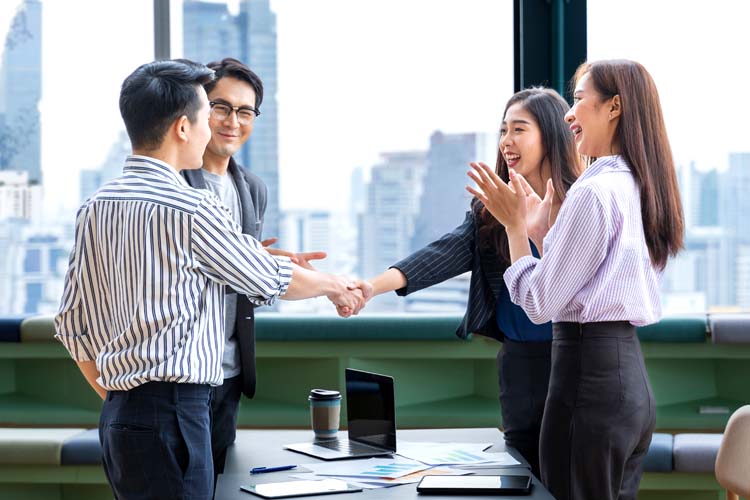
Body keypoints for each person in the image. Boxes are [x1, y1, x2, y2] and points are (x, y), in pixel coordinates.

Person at [54, 59, 363, 500]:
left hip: (119, 415)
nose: (214, 128)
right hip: (175, 413)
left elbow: (69, 323)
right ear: (183, 127)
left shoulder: (95, 205)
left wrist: (120, 398)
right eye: (206, 115)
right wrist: (335, 284)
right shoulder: (192, 209)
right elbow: (265, 278)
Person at [467, 59, 684, 500]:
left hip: (587, 383)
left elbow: (540, 302)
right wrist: (544, 234)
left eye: (580, 100)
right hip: (628, 384)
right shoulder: (633, 183)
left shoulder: (591, 191)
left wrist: (513, 229)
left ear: (614, 108)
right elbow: (588, 279)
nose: (569, 113)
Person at [355, 88, 581, 476]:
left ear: (551, 135)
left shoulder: (581, 200)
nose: (507, 141)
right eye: (503, 130)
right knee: (522, 474)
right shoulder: (491, 207)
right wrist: (371, 287)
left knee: (568, 473)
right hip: (518, 362)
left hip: (573, 359)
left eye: (519, 129)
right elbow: (443, 254)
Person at [181, 57, 326, 482]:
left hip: (229, 371)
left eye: (246, 111)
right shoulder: (172, 185)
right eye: (221, 107)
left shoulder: (251, 188)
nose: (233, 121)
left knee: (219, 484)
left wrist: (263, 263)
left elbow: (234, 267)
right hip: (182, 373)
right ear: (197, 110)